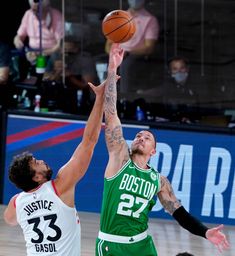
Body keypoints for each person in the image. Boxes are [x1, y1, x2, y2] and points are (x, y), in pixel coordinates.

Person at [95, 43, 230, 256]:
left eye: (147, 137)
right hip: (113, 244)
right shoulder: (119, 159)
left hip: (142, 244)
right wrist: (112, 70)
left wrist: (205, 233)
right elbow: (111, 115)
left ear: (153, 152)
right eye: (138, 136)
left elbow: (179, 213)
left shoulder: (159, 180)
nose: (141, 137)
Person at [3, 78, 105, 255]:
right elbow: (89, 141)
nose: (41, 161)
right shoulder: (60, 186)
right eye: (36, 163)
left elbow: (9, 220)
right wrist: (100, 98)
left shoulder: (16, 202)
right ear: (36, 177)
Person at [105, 0, 159, 94]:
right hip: (118, 55)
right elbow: (109, 44)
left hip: (136, 57)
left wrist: (127, 52)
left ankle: (125, 98)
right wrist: (113, 54)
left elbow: (149, 48)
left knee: (126, 66)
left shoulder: (150, 19)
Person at [43, 36, 99, 114]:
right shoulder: (56, 56)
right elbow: (45, 79)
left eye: (70, 52)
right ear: (60, 49)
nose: (67, 54)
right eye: (64, 50)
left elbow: (88, 86)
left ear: (76, 49)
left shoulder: (85, 60)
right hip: (61, 98)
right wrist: (57, 72)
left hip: (84, 99)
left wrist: (70, 75)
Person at [13, 0, 63, 73]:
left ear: (48, 7)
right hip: (31, 51)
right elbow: (19, 36)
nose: (37, 13)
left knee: (47, 68)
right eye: (34, 10)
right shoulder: (28, 14)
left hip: (51, 52)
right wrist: (17, 41)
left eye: (40, 10)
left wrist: (41, 53)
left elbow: (60, 44)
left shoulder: (56, 15)